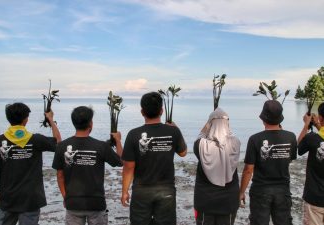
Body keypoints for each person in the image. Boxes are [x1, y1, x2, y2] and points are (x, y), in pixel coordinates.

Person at [0, 102, 61, 225]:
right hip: (31, 199)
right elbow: (59, 143)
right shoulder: (36, 140)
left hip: (8, 198)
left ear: (8, 118)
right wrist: (50, 119)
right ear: (26, 119)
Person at [121, 92, 187, 225]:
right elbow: (183, 153)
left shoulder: (133, 134)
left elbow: (128, 167)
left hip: (141, 190)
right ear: (162, 111)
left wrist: (124, 191)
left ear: (142, 112)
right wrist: (176, 128)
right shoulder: (173, 131)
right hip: (166, 190)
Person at [52, 106, 123, 225]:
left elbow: (60, 176)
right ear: (91, 123)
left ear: (73, 123)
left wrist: (66, 197)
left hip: (73, 203)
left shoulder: (61, 146)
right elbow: (120, 161)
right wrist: (118, 141)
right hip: (96, 203)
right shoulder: (101, 146)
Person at [239, 100, 297, 225]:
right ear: (280, 119)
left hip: (261, 190)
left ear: (263, 119)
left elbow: (248, 170)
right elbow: (290, 159)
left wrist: (241, 192)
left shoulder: (255, 139)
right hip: (283, 189)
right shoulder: (291, 137)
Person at [193, 108, 240, 225]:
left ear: (210, 124)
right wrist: (223, 120)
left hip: (205, 201)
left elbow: (201, 134)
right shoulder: (235, 143)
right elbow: (230, 133)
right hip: (229, 201)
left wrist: (210, 121)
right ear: (227, 124)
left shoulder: (200, 145)